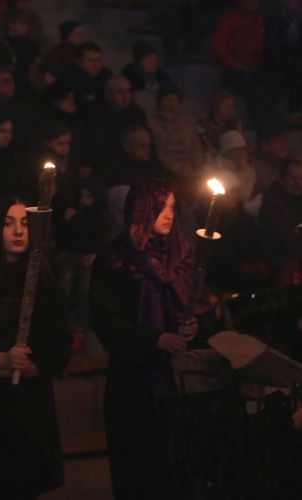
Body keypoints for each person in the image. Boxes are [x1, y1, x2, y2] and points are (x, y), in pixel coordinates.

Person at [89, 177, 215, 499]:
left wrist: (196, 328)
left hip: (183, 387)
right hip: (137, 384)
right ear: (143, 210)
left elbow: (205, 309)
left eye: (172, 207)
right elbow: (103, 320)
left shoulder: (185, 254)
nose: (169, 215)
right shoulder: (115, 260)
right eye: (160, 208)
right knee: (142, 473)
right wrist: (155, 340)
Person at [0, 193, 71, 498]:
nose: (19, 231)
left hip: (26, 411)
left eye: (24, 224)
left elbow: (58, 347)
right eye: (8, 224)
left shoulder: (44, 281)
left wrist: (26, 366)